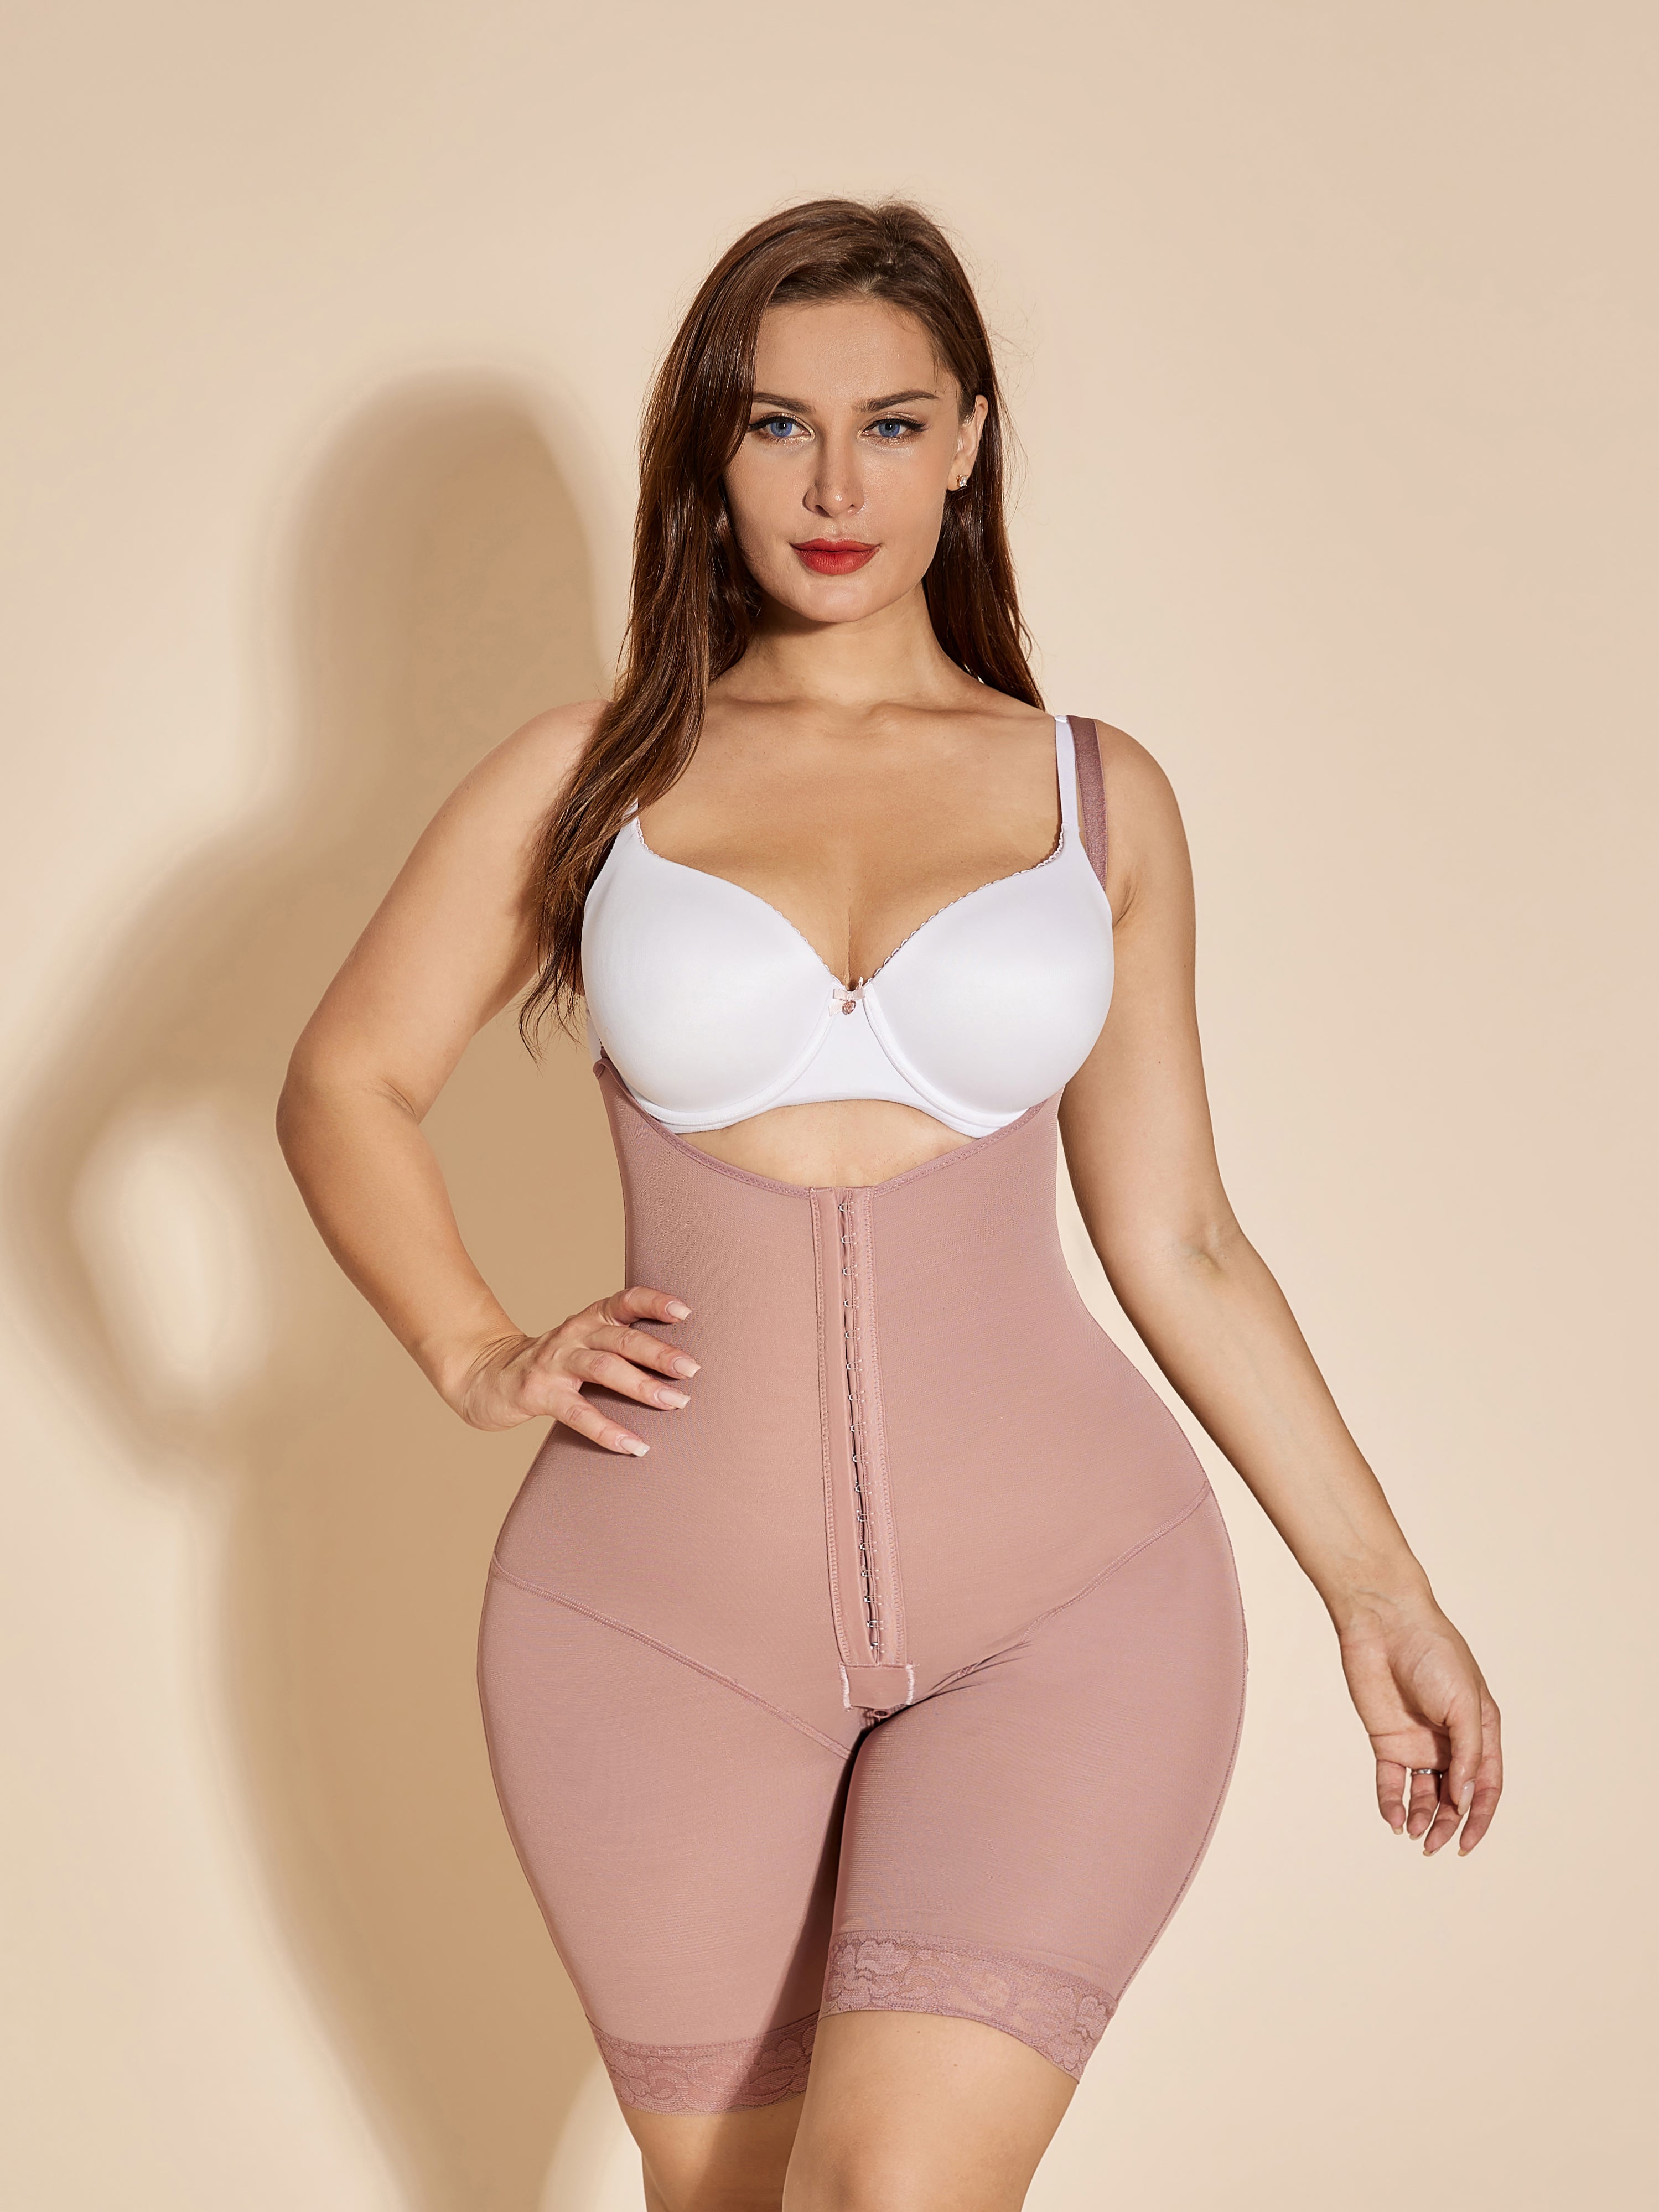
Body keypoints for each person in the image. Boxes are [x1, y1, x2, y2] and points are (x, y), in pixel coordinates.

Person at [277, 198, 1504, 2212]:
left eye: (891, 424)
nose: (835, 488)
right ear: (712, 449)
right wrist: (476, 1349)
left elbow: (1181, 1237)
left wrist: (1384, 1594)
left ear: (969, 443)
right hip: (651, 1625)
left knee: (891, 2196)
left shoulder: (1095, 795)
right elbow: (346, 1081)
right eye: (778, 426)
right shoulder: (597, 776)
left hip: (1068, 1608)